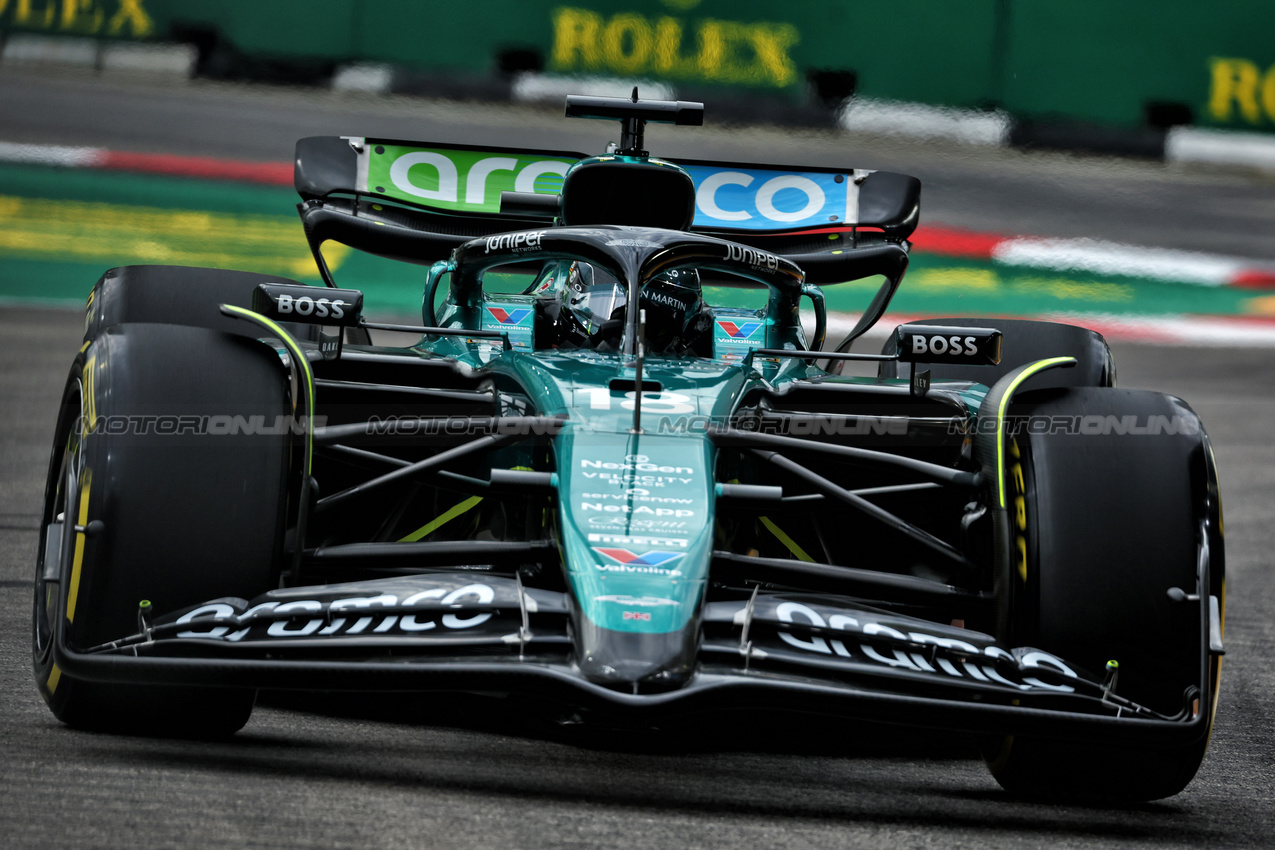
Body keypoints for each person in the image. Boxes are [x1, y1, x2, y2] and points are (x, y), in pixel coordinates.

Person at [551, 262, 711, 354]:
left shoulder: (704, 332)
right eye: (606, 303)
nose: (630, 341)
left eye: (653, 329)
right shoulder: (545, 320)